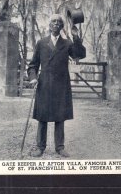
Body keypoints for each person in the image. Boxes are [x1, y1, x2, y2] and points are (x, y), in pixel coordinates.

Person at [27, 14, 86, 157]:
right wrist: (33, 78)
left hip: (61, 84)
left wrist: (76, 37)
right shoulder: (41, 43)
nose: (56, 24)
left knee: (60, 116)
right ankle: (40, 147)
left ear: (62, 26)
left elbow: (79, 54)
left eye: (59, 22)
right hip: (44, 84)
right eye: (53, 21)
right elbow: (33, 65)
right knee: (42, 116)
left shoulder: (67, 44)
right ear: (49, 25)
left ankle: (60, 147)